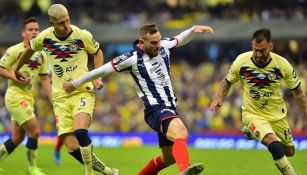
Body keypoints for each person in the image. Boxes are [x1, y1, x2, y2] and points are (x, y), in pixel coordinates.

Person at [63, 23, 214, 175]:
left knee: (168, 158)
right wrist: (75, 84)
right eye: (154, 43)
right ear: (141, 43)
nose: (158, 45)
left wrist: (193, 30)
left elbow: (180, 39)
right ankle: (185, 171)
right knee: (181, 132)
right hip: (155, 110)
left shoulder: (164, 46)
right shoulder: (131, 58)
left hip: (169, 108)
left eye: (159, 41)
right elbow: (102, 70)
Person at [14, 4, 119, 175]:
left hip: (82, 90)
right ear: (52, 23)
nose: (67, 25)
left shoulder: (81, 35)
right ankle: (108, 171)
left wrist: (97, 77)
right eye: (62, 22)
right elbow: (29, 50)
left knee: (80, 131)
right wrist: (17, 69)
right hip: (60, 97)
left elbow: (98, 52)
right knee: (71, 146)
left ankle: (88, 172)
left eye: (68, 20)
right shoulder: (45, 37)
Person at [210, 28, 307, 175]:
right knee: (274, 146)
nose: (258, 54)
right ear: (252, 45)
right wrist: (218, 97)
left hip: (277, 114)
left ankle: (251, 132)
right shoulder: (242, 61)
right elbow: (227, 82)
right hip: (252, 113)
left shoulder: (282, 65)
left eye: (262, 51)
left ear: (271, 47)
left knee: (289, 151)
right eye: (255, 50)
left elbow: (298, 92)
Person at [0, 17, 52, 175]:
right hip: (15, 96)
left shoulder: (42, 54)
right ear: (23, 33)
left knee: (17, 138)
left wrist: (52, 99)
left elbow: (44, 78)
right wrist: (15, 76)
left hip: (29, 97)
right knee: (35, 131)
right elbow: (0, 68)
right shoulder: (14, 50)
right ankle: (32, 168)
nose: (34, 32)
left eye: (37, 29)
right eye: (30, 29)